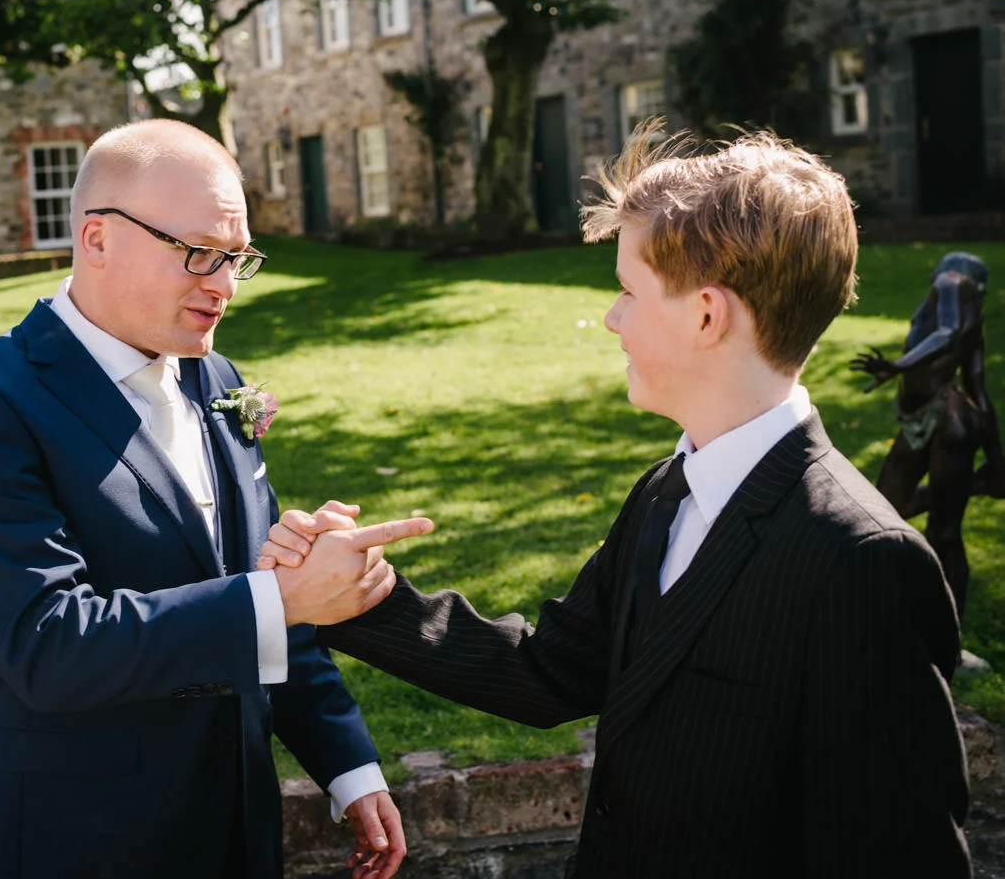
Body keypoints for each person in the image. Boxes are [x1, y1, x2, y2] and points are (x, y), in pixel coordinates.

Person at [261, 126, 970, 878]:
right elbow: (552, 670)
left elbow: (900, 847)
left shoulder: (860, 559)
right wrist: (359, 599)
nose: (609, 317)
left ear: (705, 315)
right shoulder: (666, 493)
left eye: (628, 291)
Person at [0, 119, 433, 879]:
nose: (220, 283)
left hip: (233, 828)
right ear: (96, 239)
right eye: (197, 253)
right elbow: (47, 642)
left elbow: (256, 582)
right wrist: (282, 596)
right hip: (74, 841)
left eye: (236, 258)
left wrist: (348, 765)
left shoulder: (217, 379)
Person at [850, 250, 1005, 619]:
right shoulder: (970, 318)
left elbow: (948, 334)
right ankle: (964, 488)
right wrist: (997, 463)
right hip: (927, 417)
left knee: (944, 534)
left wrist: (896, 365)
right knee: (884, 508)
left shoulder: (952, 280)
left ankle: (946, 639)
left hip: (948, 421)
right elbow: (980, 395)